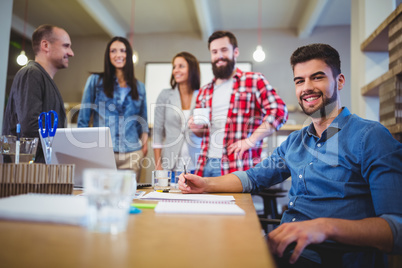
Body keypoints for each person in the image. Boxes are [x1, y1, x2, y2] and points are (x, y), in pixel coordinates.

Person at [179, 43, 402, 267]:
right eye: (299, 80)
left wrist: (324, 227)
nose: (307, 87)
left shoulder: (370, 137)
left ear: (340, 81)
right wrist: (205, 183)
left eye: (317, 77)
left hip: (330, 259)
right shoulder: (296, 141)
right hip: (283, 250)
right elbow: (253, 177)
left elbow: (396, 229)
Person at [189, 31, 288, 177]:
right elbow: (201, 133)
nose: (219, 56)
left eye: (224, 50)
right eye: (214, 52)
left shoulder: (254, 80)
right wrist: (196, 128)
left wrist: (251, 140)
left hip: (238, 166)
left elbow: (279, 111)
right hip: (205, 165)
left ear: (235, 52)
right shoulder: (205, 91)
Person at [77, 36, 148, 181]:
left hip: (132, 153)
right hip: (102, 152)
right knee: (102, 196)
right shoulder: (95, 81)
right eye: (113, 51)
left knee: (129, 198)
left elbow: (143, 120)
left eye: (122, 51)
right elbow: (83, 119)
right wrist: (84, 149)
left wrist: (144, 146)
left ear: (128, 55)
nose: (118, 55)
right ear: (108, 55)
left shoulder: (139, 87)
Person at [2, 24, 74, 163]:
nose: (71, 53)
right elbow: (30, 127)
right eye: (66, 46)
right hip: (30, 176)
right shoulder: (31, 74)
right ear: (45, 45)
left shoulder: (41, 77)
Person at [153, 52, 202, 173]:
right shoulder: (165, 95)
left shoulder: (202, 95)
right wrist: (159, 167)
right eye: (174, 67)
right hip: (170, 166)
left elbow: (206, 131)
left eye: (181, 66)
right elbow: (157, 132)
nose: (175, 70)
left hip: (197, 165)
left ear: (192, 69)